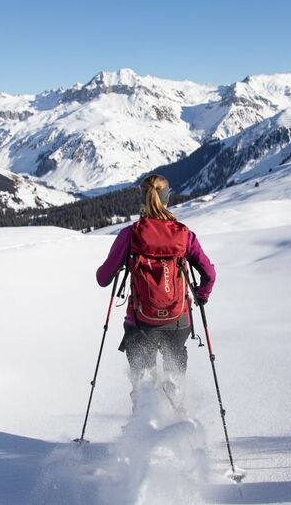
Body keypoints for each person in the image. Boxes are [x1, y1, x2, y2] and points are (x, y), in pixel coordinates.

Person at [96, 175, 216, 410]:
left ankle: (143, 425)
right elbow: (209, 274)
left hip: (140, 321)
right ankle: (180, 424)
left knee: (142, 381)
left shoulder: (130, 235)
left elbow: (103, 279)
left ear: (142, 198)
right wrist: (202, 295)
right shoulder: (184, 235)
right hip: (178, 320)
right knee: (175, 376)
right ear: (167, 198)